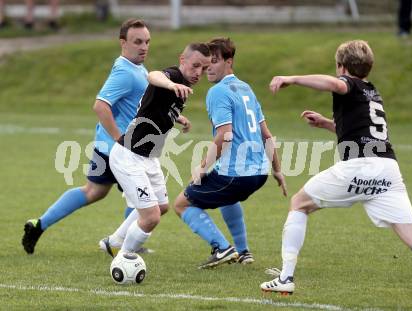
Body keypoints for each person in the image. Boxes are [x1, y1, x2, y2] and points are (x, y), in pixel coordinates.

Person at [260, 40, 412, 294]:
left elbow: (335, 84)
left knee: (299, 203)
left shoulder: (348, 83)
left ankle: (286, 277)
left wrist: (293, 78)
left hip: (360, 166)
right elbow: (363, 130)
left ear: (340, 66)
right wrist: (327, 124)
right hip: (387, 169)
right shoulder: (372, 91)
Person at [21, 18, 151, 255]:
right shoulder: (125, 72)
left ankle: (39, 225)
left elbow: (138, 104)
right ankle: (125, 243)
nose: (143, 46)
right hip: (118, 150)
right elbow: (100, 106)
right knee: (145, 196)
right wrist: (120, 139)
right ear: (123, 43)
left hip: (107, 145)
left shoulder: (136, 68)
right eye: (137, 42)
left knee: (94, 191)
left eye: (147, 42)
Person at [173, 37, 287, 269]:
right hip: (258, 173)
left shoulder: (218, 92)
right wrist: (277, 170)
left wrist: (201, 169)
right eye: (206, 64)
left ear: (229, 61)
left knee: (182, 204)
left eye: (214, 62)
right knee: (227, 197)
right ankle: (243, 252)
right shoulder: (246, 88)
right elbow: (266, 133)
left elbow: (225, 135)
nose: (208, 69)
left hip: (237, 173)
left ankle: (222, 248)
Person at [99, 43, 211, 257]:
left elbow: (152, 104)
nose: (199, 72)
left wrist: (177, 117)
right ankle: (124, 258)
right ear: (182, 59)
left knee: (161, 206)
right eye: (196, 66)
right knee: (150, 217)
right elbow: (154, 75)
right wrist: (170, 84)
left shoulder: (182, 86)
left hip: (149, 158)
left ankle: (113, 242)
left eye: (204, 69)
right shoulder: (173, 77)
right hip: (128, 155)